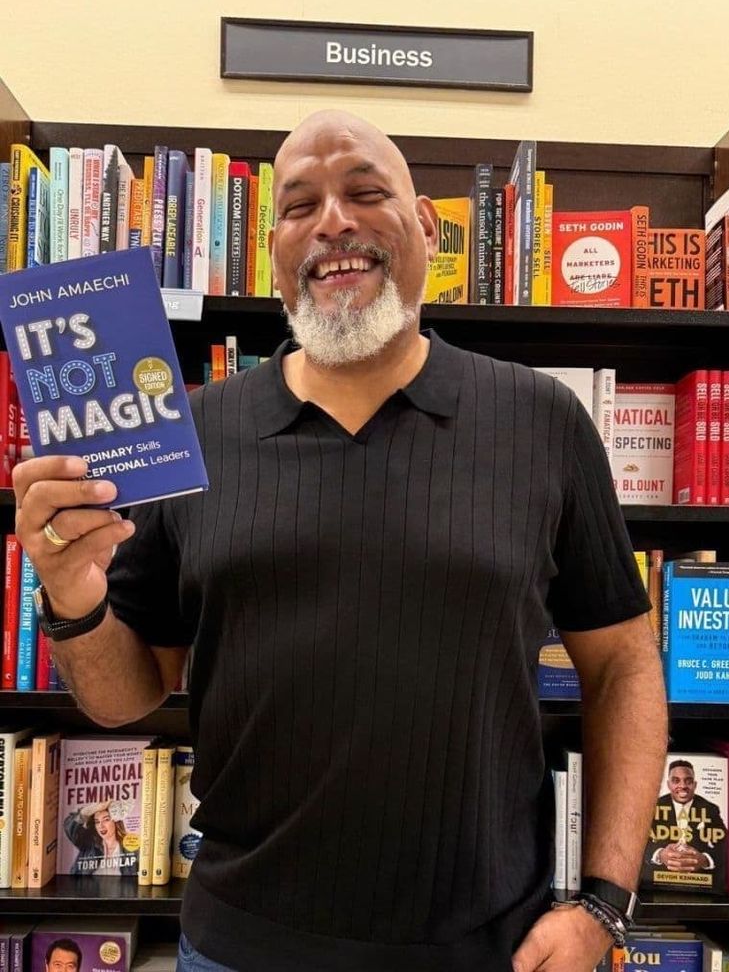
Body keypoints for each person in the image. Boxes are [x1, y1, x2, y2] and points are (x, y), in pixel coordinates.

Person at [15, 110, 668, 972]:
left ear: (427, 228)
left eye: (366, 192)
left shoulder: (542, 419)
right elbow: (128, 694)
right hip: (239, 946)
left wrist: (603, 904)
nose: (333, 221)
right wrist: (71, 592)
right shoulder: (192, 434)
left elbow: (623, 664)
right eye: (299, 206)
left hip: (486, 948)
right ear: (276, 248)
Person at [644, 759, 727, 893]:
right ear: (668, 784)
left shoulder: (710, 808)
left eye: (688, 781)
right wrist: (659, 854)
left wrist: (705, 859)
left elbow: (726, 844)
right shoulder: (652, 806)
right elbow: (638, 843)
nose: (682, 786)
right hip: (658, 885)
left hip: (700, 885)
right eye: (676, 780)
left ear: (695, 784)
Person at [62, 799, 134, 876]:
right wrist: (95, 808)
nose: (101, 825)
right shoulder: (89, 845)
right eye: (97, 822)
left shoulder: (130, 849)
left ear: (116, 821)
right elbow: (69, 825)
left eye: (106, 819)